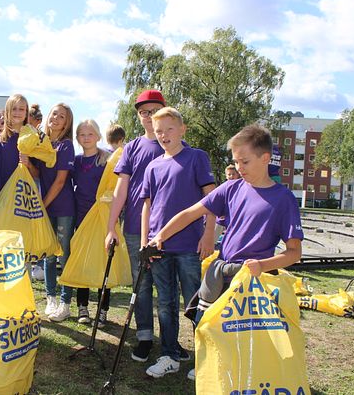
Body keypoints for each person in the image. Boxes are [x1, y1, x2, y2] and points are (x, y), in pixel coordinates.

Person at [146, 123, 303, 381]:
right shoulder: (231, 189)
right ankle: (213, 362)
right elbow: (191, 213)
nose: (239, 168)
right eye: (235, 162)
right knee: (208, 321)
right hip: (223, 270)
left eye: (245, 161)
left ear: (265, 158)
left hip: (254, 279)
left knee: (245, 332)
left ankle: (239, 371)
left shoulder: (283, 198)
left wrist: (262, 265)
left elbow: (294, 252)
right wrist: (160, 236)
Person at [138, 107, 216, 378]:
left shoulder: (197, 157)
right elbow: (147, 206)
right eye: (159, 131)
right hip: (159, 248)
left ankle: (204, 358)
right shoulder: (153, 166)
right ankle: (169, 354)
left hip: (190, 246)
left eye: (169, 129)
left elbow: (211, 198)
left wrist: (209, 234)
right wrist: (146, 240)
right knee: (166, 303)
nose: (164, 135)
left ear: (182, 129)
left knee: (195, 303)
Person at [104, 89, 176, 363]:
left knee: (168, 288)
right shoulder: (132, 148)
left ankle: (170, 341)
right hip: (136, 227)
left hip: (169, 230)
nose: (148, 117)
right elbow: (121, 189)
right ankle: (144, 334)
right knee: (141, 284)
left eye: (153, 110)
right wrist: (112, 226)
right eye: (143, 112)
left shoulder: (173, 144)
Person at [28, 103, 76, 321]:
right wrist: (27, 163)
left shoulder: (66, 146)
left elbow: (59, 181)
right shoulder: (42, 142)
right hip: (45, 206)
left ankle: (65, 303)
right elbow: (39, 173)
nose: (56, 118)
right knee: (48, 255)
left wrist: (42, 206)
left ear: (67, 123)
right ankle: (51, 299)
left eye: (62, 116)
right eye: (54, 114)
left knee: (63, 255)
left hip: (62, 207)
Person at [71, 120, 112, 326]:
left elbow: (114, 189)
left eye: (90, 134)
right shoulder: (76, 161)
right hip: (81, 217)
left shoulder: (106, 159)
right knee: (84, 262)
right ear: (77, 138)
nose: (86, 138)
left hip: (102, 218)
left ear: (98, 136)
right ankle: (82, 307)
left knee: (104, 263)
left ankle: (103, 310)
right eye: (82, 135)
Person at [0, 94, 30, 187]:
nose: (17, 112)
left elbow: (38, 174)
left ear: (26, 112)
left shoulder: (32, 138)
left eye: (21, 109)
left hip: (20, 195)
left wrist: (28, 163)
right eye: (14, 109)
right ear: (7, 111)